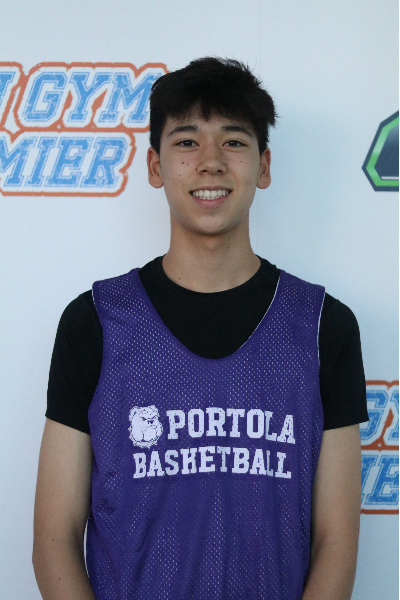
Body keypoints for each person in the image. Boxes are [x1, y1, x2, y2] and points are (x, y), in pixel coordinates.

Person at [33, 58, 369, 600]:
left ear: (263, 166)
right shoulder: (93, 321)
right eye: (187, 142)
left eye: (233, 142)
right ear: (154, 166)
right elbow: (54, 539)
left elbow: (337, 543)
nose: (210, 162)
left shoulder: (323, 327)